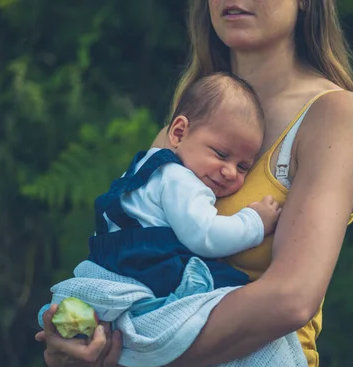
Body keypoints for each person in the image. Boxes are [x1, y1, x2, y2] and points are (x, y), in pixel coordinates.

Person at [36, 0, 353, 367]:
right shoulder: (179, 133)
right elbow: (131, 268)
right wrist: (75, 345)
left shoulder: (334, 114)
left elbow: (291, 299)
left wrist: (128, 359)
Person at [38, 73, 281, 330]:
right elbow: (205, 235)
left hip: (112, 263)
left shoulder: (148, 165)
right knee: (234, 291)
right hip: (149, 267)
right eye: (221, 154)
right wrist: (254, 222)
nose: (230, 171)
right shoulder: (182, 181)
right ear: (178, 133)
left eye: (243, 166)